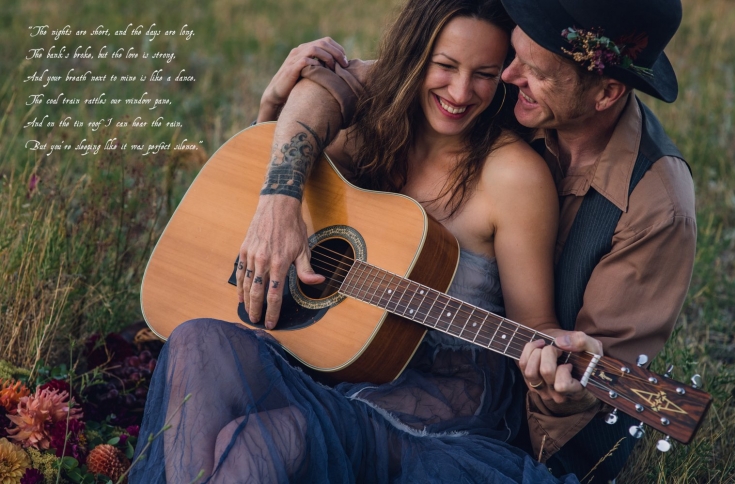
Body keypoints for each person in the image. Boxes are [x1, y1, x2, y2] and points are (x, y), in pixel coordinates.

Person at [130, 0, 586, 482]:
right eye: (445, 66)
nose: (459, 91)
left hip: (434, 402)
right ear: (413, 56)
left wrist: (558, 366)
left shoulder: (512, 177)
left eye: (485, 74)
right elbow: (278, 149)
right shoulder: (372, 127)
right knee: (196, 339)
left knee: (262, 440)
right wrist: (273, 129)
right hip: (329, 366)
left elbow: (536, 324)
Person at [242, 0, 697, 481]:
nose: (506, 75)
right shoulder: (494, 85)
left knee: (279, 434)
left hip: (504, 412)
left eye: (531, 69)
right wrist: (277, 172)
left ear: (605, 92)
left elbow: (582, 380)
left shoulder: (655, 208)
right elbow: (338, 86)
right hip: (363, 345)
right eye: (511, 56)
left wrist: (562, 384)